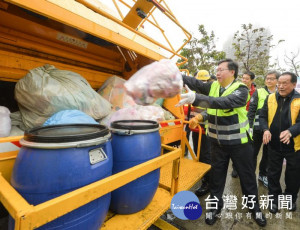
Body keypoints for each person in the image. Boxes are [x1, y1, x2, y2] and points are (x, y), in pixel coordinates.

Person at [177, 59, 266, 227]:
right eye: (216, 69)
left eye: (221, 70)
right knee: (217, 178)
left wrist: (196, 98)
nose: (217, 72)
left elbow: (223, 103)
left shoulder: (241, 90)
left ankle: (254, 208)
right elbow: (195, 83)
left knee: (247, 178)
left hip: (240, 144)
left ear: (232, 72)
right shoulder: (213, 87)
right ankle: (215, 208)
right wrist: (174, 74)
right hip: (217, 144)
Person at [260, 72, 300, 213]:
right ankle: (274, 199)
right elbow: (262, 116)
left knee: (293, 176)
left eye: (285, 83)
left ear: (294, 84)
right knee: (273, 173)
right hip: (274, 144)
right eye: (279, 83)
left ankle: (290, 199)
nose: (281, 86)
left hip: (294, 146)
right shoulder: (270, 98)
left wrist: (290, 131)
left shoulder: (299, 100)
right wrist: (265, 129)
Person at [248, 70, 279, 188]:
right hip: (257, 129)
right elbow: (251, 110)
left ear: (277, 81)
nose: (268, 80)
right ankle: (250, 174)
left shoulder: (279, 93)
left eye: (272, 78)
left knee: (268, 154)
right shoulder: (259, 92)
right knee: (253, 153)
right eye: (267, 78)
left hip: (271, 130)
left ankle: (262, 174)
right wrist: (249, 126)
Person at [188, 70, 211, 197]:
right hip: (196, 130)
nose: (202, 83)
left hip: (205, 130)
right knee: (198, 155)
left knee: (205, 156)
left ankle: (208, 182)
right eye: (200, 81)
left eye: (204, 81)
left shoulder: (209, 95)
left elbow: (209, 113)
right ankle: (203, 177)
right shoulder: (194, 94)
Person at [230, 71, 256, 178]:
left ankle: (244, 169)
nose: (244, 80)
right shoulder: (237, 89)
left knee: (246, 149)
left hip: (249, 124)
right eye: (243, 78)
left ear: (252, 80)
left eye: (247, 79)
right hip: (236, 122)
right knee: (235, 147)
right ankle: (235, 168)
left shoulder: (255, 93)